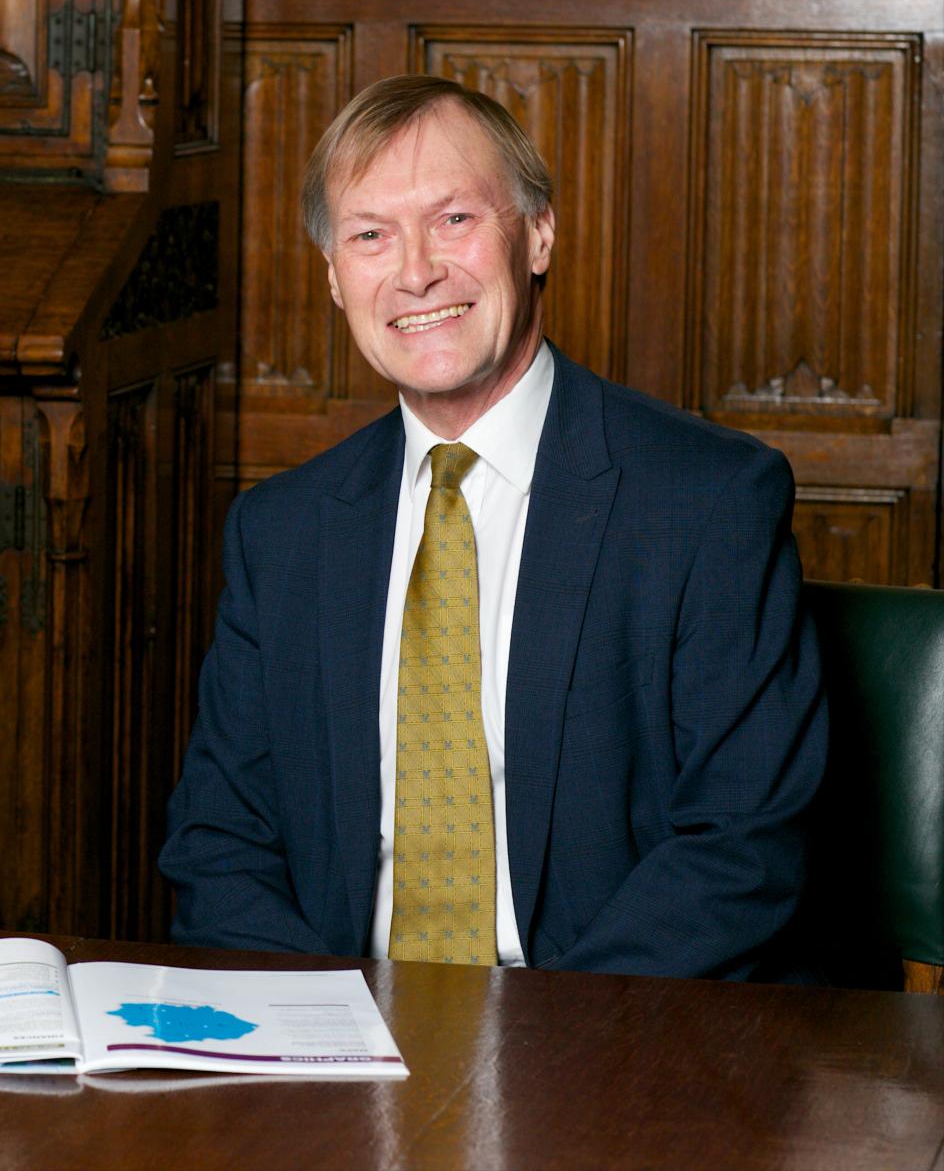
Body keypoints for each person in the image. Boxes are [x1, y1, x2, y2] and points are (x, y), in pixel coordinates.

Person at [160, 74, 827, 979]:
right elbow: (219, 847)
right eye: (369, 236)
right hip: (339, 1063)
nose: (415, 271)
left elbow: (742, 847)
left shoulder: (706, 502)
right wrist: (325, 1046)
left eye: (455, 220)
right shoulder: (280, 534)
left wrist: (537, 1060)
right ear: (332, 276)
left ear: (539, 233)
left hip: (613, 1053)